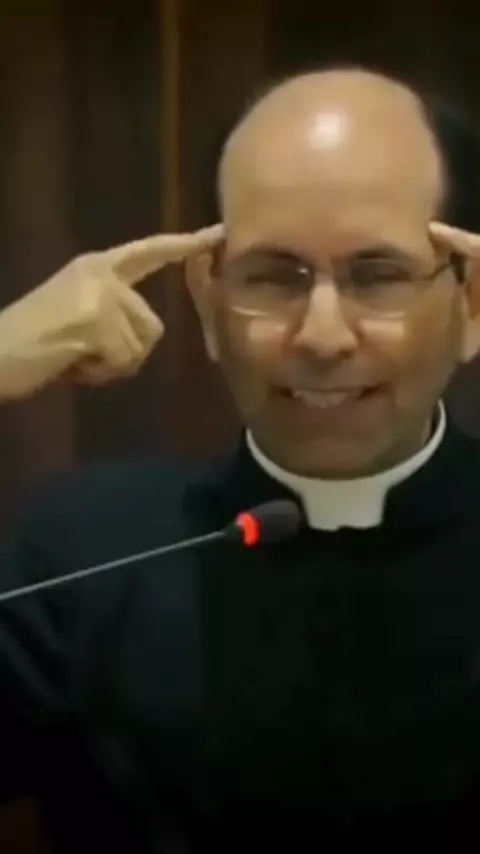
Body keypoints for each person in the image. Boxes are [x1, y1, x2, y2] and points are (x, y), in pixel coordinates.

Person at [3, 64, 480, 853]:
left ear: (470, 304)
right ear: (208, 303)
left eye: (379, 276)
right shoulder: (80, 554)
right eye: (274, 276)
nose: (322, 335)